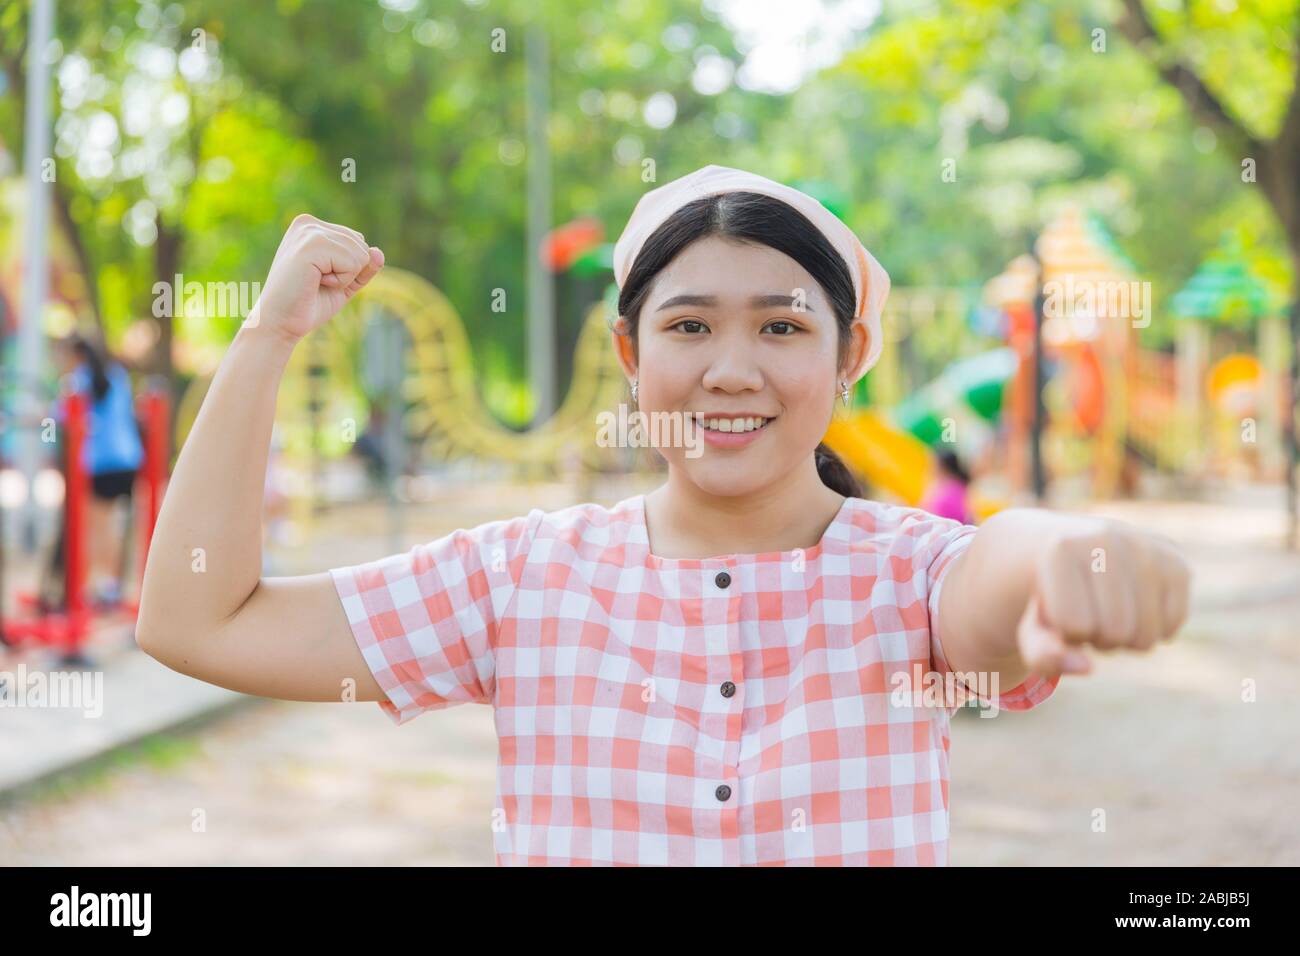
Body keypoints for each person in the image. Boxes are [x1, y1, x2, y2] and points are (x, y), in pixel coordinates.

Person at [136, 172, 1191, 867]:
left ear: (845, 354)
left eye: (782, 324)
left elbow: (991, 575)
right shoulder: (525, 578)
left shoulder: (903, 575)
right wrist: (271, 333)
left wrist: (1060, 549)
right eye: (688, 325)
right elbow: (197, 618)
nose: (731, 368)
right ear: (633, 352)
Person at [51, 330, 144, 609]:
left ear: (75, 354)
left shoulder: (78, 380)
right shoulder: (117, 375)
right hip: (127, 459)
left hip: (100, 462)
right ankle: (111, 585)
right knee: (112, 525)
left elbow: (61, 415)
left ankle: (93, 585)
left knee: (95, 526)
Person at [921, 449, 975, 525]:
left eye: (934, 465)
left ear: (943, 467)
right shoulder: (940, 485)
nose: (931, 468)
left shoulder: (952, 489)